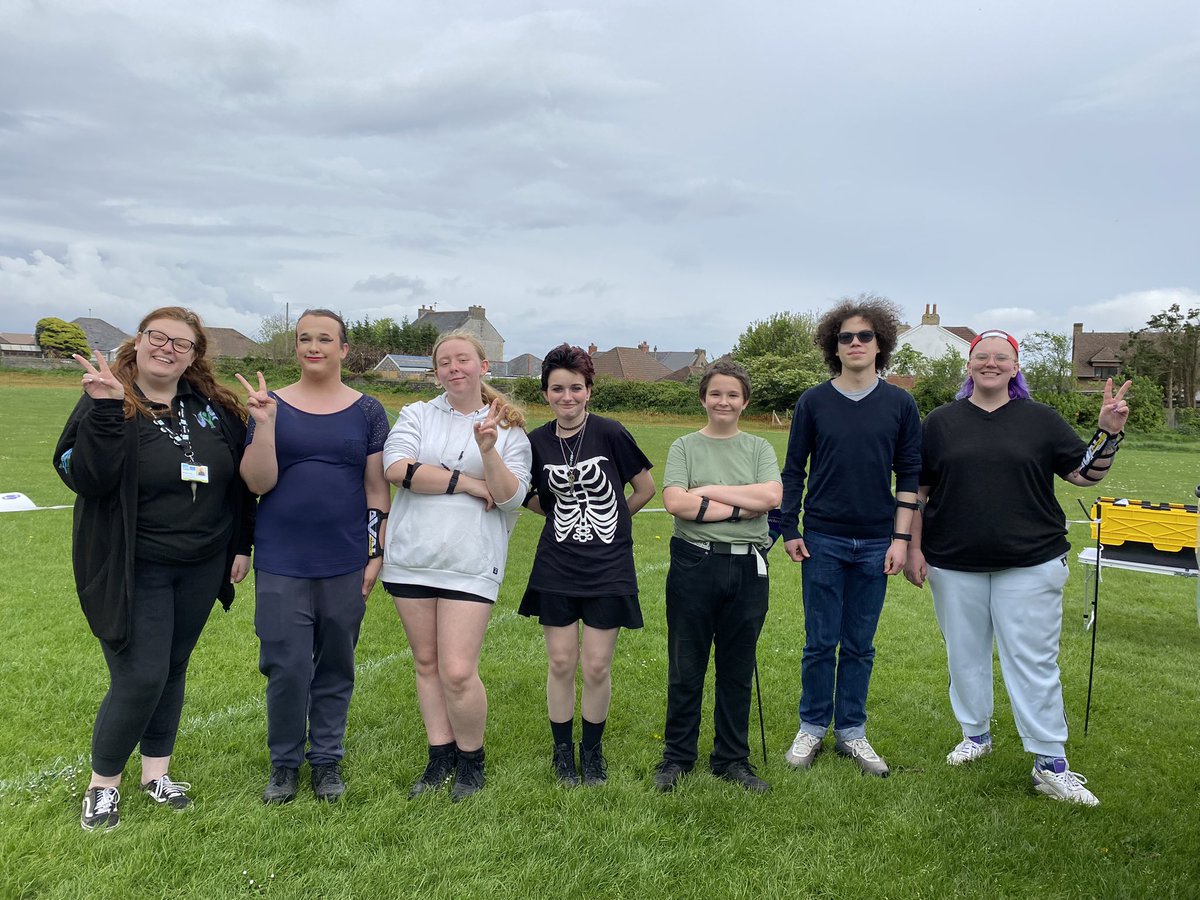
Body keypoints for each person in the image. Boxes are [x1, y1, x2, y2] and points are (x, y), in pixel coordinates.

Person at [904, 330, 1130, 806]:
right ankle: (975, 735)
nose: (989, 364)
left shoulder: (1040, 419)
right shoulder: (940, 423)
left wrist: (1108, 432)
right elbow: (919, 494)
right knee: (964, 655)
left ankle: (1050, 761)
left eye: (1000, 358)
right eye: (980, 357)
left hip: (1031, 562)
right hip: (953, 563)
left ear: (1014, 367)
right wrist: (913, 549)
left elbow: (1083, 474)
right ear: (968, 367)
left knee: (1032, 661)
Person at [54, 307, 255, 831]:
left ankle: (156, 775)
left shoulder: (211, 408)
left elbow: (238, 484)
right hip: (132, 564)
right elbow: (88, 478)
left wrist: (241, 544)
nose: (167, 349)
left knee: (172, 667)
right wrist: (102, 411)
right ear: (138, 342)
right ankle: (103, 787)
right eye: (157, 337)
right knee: (140, 675)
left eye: (181, 344)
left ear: (194, 357)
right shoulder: (107, 397)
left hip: (201, 563)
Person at [238, 309, 390, 804]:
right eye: (305, 338)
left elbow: (375, 488)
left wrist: (374, 550)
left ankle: (326, 761)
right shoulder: (269, 403)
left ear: (345, 350)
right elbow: (258, 483)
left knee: (335, 665)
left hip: (344, 558)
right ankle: (285, 763)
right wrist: (264, 425)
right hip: (282, 557)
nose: (314, 346)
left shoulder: (367, 410)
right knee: (286, 666)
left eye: (325, 339)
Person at [381, 331, 532, 802]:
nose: (453, 368)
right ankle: (438, 756)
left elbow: (511, 497)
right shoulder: (417, 414)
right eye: (444, 362)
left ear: (483, 366)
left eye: (463, 359)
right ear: (436, 371)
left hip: (471, 563)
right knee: (427, 664)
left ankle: (471, 761)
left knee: (459, 671)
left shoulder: (509, 430)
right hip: (411, 560)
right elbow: (396, 468)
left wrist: (487, 449)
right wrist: (467, 483)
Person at [780, 296, 921, 778]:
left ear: (880, 344)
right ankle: (813, 726)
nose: (856, 343)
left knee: (860, 644)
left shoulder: (901, 403)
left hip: (878, 542)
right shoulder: (813, 402)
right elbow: (793, 470)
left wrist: (900, 540)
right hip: (822, 539)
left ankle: (852, 732)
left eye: (865, 336)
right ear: (833, 347)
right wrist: (789, 529)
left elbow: (909, 474)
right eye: (846, 337)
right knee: (820, 642)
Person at [519, 344, 656, 786]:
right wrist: (563, 519)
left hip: (607, 568)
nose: (567, 397)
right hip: (557, 565)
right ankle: (563, 753)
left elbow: (645, 488)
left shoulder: (611, 433)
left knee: (597, 666)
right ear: (545, 394)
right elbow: (528, 495)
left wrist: (613, 523)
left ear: (589, 390)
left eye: (575, 388)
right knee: (560, 663)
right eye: (557, 389)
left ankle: (591, 752)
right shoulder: (536, 442)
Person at [654, 361, 782, 793]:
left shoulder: (760, 447)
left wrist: (706, 491)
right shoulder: (684, 446)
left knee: (736, 667)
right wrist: (744, 506)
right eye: (715, 394)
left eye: (732, 395)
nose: (723, 401)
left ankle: (731, 759)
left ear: (745, 402)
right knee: (686, 665)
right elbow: (675, 502)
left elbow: (771, 497)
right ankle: (677, 757)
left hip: (748, 566)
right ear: (703, 398)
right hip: (694, 563)